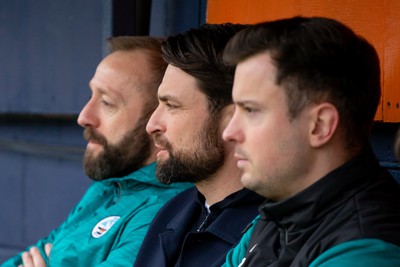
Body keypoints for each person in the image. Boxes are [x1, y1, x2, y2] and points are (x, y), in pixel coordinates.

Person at [221, 16, 400, 266]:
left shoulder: (366, 249)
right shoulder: (280, 210)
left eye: (251, 110)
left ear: (320, 125)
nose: (229, 132)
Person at [2, 36, 191, 267]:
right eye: (91, 95)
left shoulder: (165, 210)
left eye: (107, 103)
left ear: (157, 119)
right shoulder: (110, 186)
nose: (83, 117)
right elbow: (34, 254)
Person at [133, 24, 265, 267]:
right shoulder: (175, 210)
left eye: (171, 105)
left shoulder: (271, 234)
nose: (152, 124)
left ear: (233, 117)